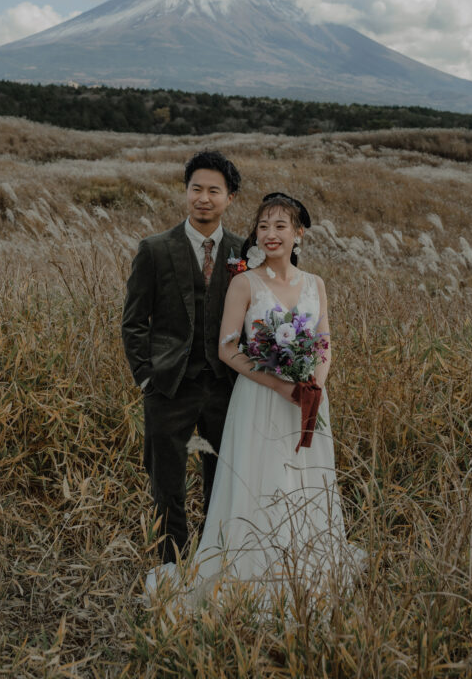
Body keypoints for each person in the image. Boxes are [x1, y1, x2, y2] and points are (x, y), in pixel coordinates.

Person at [146, 192, 365, 602]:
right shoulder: (244, 283)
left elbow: (324, 340)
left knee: (303, 480)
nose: (270, 234)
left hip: (309, 399)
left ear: (299, 234)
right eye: (263, 227)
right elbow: (229, 349)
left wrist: (313, 385)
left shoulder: (315, 283)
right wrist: (284, 386)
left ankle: (305, 569)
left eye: (281, 226)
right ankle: (251, 576)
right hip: (261, 398)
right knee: (260, 482)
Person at [121, 150, 243, 564]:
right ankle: (170, 566)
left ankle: (213, 563)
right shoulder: (155, 249)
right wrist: (145, 376)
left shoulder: (244, 252)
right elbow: (133, 320)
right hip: (168, 386)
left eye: (214, 190)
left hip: (226, 387)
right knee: (166, 485)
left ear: (230, 198)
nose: (203, 198)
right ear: (186, 192)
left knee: (223, 481)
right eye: (196, 189)